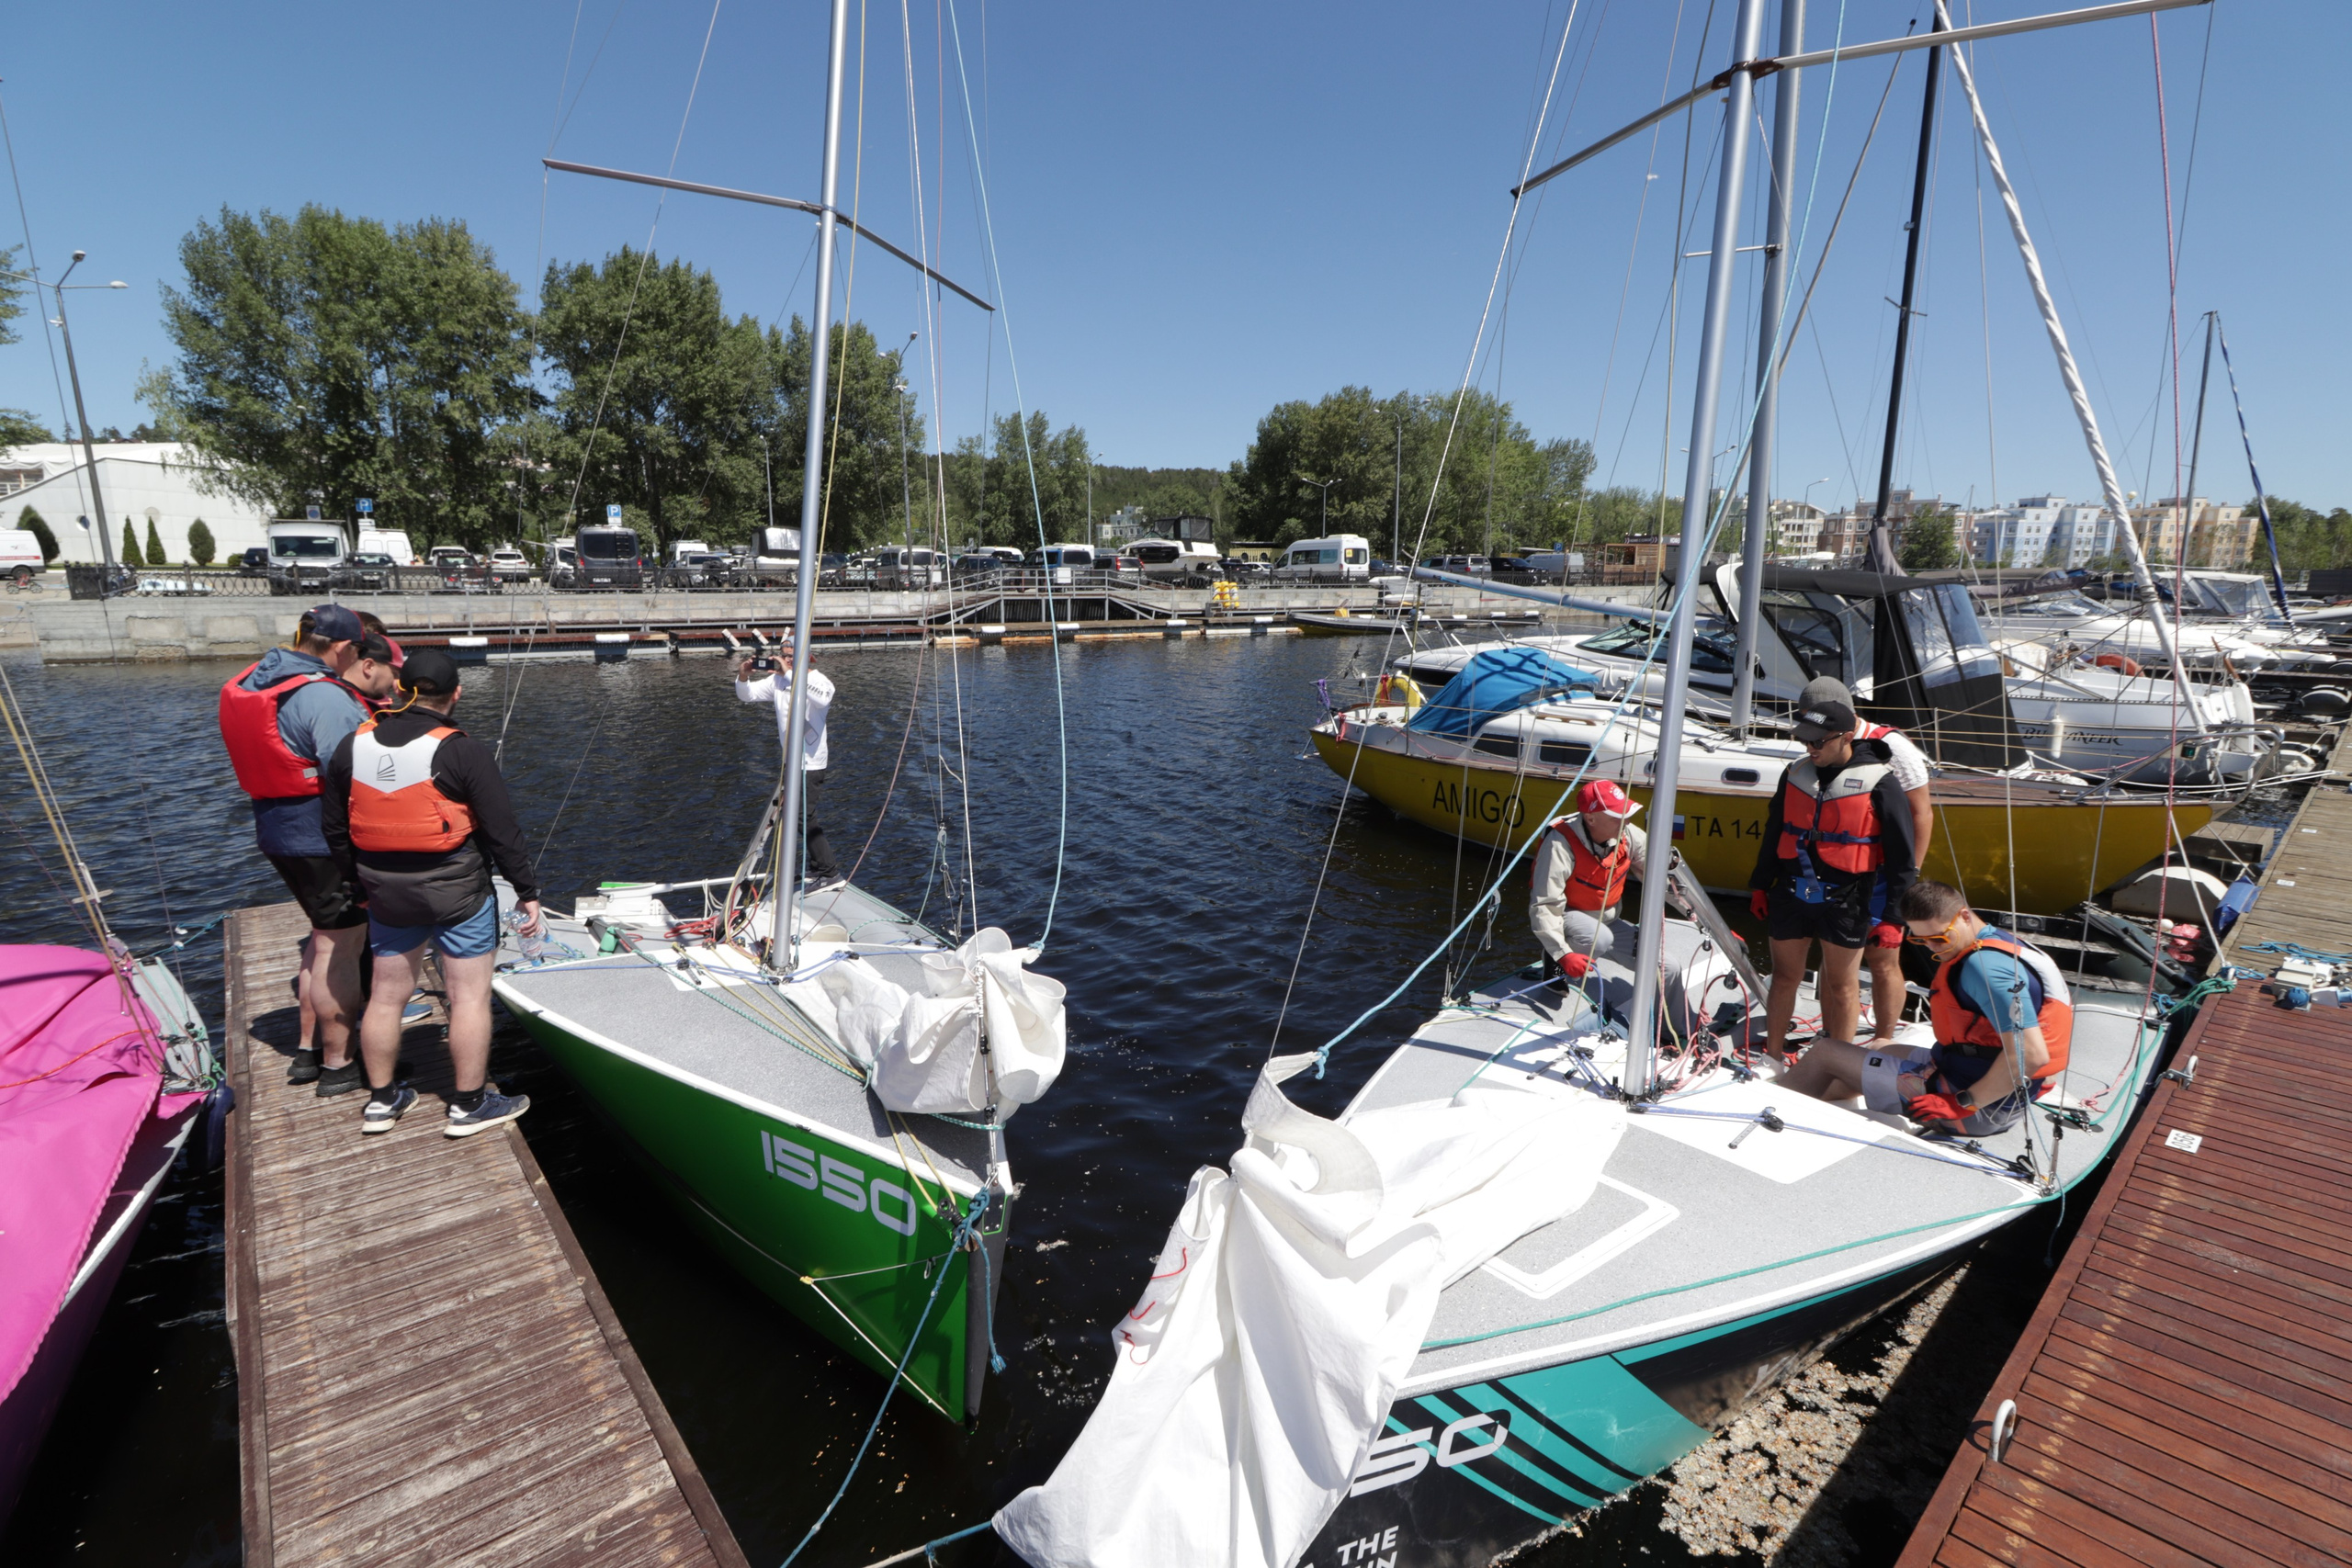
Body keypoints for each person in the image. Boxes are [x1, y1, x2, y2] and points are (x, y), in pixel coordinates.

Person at [321, 649, 545, 1137]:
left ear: (399, 689)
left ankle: (382, 1102)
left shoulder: (351, 746)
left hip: (385, 891)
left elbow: (336, 829)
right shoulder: (461, 749)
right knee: (468, 998)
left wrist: (357, 883)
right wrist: (526, 890)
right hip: (457, 891)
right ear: (456, 694)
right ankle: (468, 1106)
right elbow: (501, 831)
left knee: (385, 996)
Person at [218, 604, 391, 1094]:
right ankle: (339, 1065)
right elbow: (355, 774)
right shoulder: (324, 696)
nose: (355, 659)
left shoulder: (257, 678)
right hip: (321, 839)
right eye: (356, 650)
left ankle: (308, 1050)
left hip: (277, 831)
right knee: (342, 944)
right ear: (342, 648)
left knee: (321, 935)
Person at [1780, 879, 2070, 1136]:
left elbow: (2031, 1055)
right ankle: (1812, 1100)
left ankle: (1768, 1111)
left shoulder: (1986, 971)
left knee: (1825, 1052)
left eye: (1939, 938)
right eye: (1920, 940)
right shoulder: (1999, 942)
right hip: (1986, 1087)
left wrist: (1963, 1103)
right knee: (1882, 1046)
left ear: (1965, 916)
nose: (1933, 948)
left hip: (1975, 1109)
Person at [1747, 696, 1917, 1062]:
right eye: (1805, 740)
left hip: (1848, 897)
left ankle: (1836, 1065)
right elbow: (1775, 830)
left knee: (1841, 986)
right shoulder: (1794, 774)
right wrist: (1760, 885)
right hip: (1792, 890)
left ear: (1846, 737)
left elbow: (1904, 858)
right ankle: (1772, 1057)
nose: (1810, 749)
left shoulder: (1882, 784)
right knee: (1784, 977)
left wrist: (1893, 918)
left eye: (1818, 741)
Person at [1797, 675, 1934, 1044]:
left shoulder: (1893, 747)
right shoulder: (1818, 744)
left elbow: (1921, 813)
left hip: (1884, 874)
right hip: (1839, 874)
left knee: (1883, 959)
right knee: (1834, 962)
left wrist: (1908, 882)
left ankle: (1884, 1038)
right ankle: (1831, 1036)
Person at [735, 640, 841, 887]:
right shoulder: (777, 680)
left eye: (792, 657)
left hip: (811, 762)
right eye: (783, 656)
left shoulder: (820, 681)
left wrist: (791, 673)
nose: (786, 660)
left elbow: (823, 700)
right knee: (794, 815)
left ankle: (830, 872)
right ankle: (817, 868)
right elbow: (746, 695)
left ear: (809, 657)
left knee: (803, 816)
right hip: (790, 760)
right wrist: (743, 675)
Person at [1530, 779, 1648, 981]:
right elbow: (1545, 904)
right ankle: (1554, 966)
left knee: (1668, 969)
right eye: (1617, 817)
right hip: (1569, 915)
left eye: (1627, 815)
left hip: (1608, 919)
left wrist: (1692, 909)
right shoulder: (1559, 843)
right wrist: (1562, 954)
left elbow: (1658, 874)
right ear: (1591, 819)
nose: (1626, 822)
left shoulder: (1628, 834)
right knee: (1599, 938)